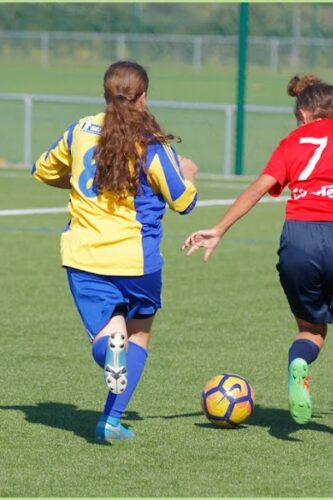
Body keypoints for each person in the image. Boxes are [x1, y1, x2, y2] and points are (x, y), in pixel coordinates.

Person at [182, 74, 333, 446]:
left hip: (299, 238)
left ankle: (300, 361)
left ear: (302, 114)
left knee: (312, 330)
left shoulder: (292, 141)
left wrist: (218, 229)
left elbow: (258, 188)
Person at [32, 60, 198, 442]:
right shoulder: (152, 144)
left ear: (105, 94)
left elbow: (43, 170)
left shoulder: (80, 130)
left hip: (85, 257)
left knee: (107, 341)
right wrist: (188, 171)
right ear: (144, 97)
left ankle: (110, 356)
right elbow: (184, 201)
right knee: (137, 336)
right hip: (137, 261)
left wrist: (82, 182)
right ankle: (110, 421)